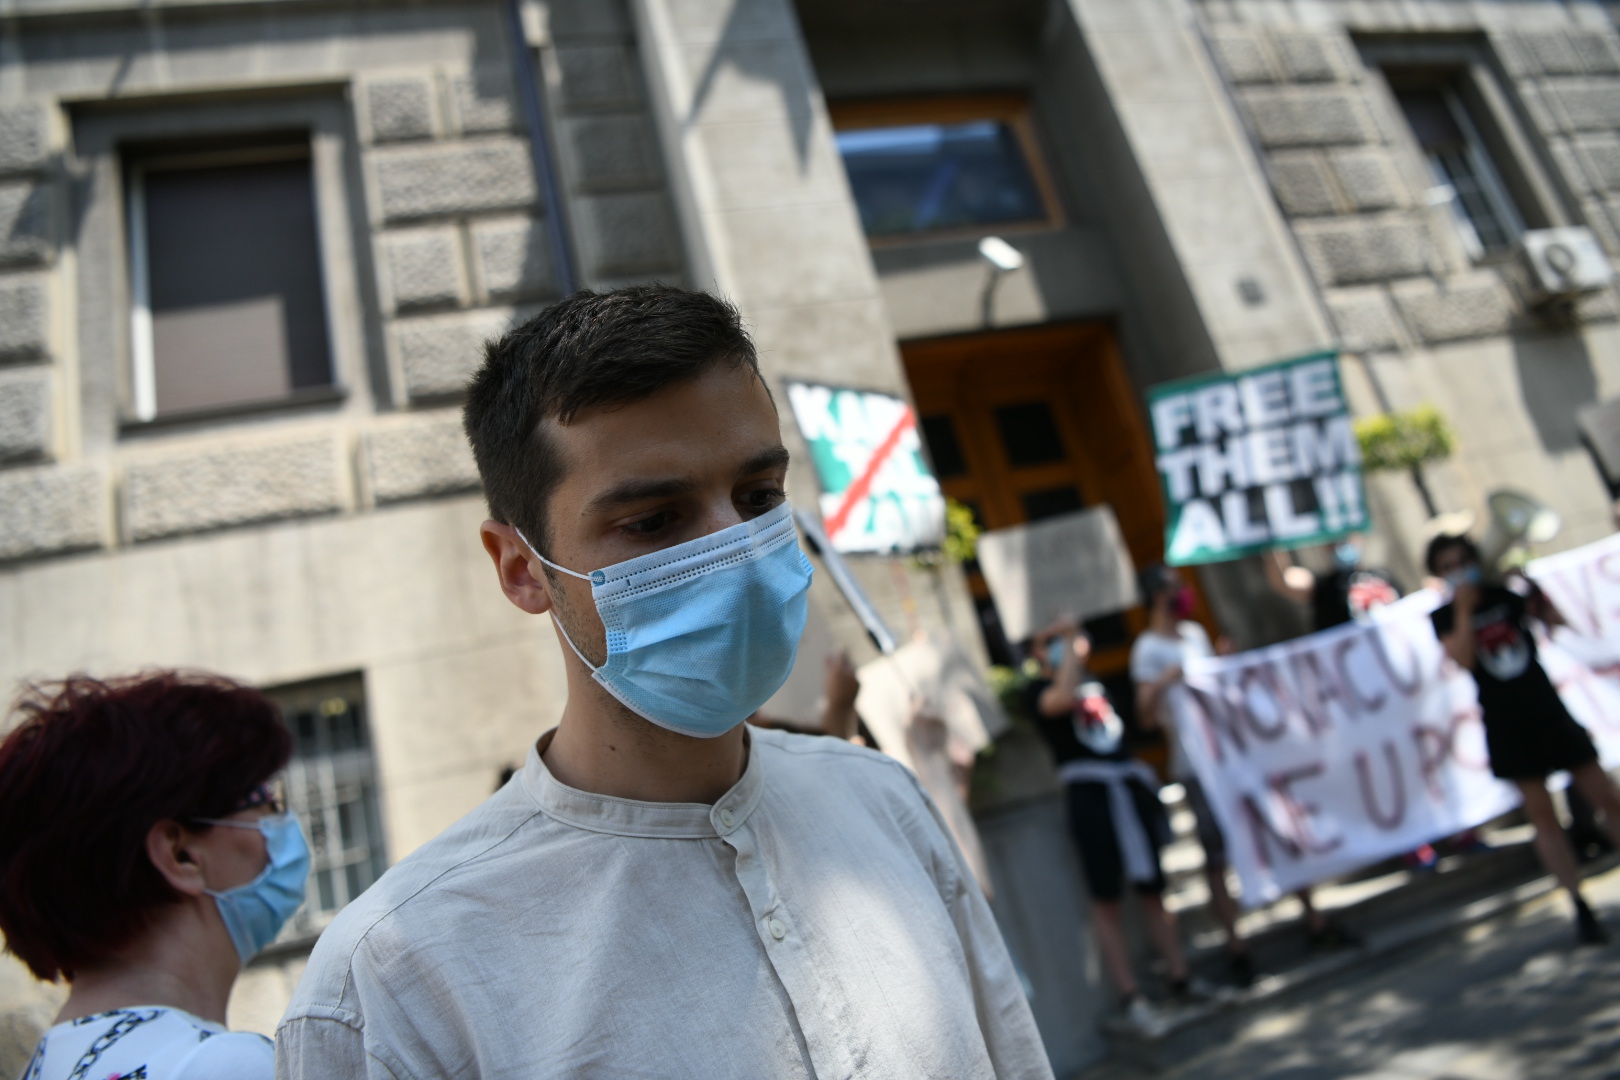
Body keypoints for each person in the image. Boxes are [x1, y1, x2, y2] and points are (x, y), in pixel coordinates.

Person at [277, 286, 1051, 1079]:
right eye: (653, 521)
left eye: (759, 498)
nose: (738, 551)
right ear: (521, 570)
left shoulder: (885, 802)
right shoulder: (394, 986)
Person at [0, 671, 309, 1080]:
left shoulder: (42, 1067)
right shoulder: (223, 1067)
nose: (279, 821)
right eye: (263, 801)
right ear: (179, 855)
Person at [1428, 532, 1620, 945]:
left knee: (1607, 797)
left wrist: (1530, 585)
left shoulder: (1507, 596)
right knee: (1544, 818)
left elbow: (1556, 622)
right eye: (1447, 566)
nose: (1458, 571)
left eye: (1462, 560)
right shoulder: (1443, 617)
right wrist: (1464, 611)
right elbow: (1461, 659)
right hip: (1507, 726)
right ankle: (1579, 904)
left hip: (1550, 713)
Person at [1028, 622, 1202, 1032]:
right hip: (1090, 800)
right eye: (1050, 640)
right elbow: (1061, 698)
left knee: (1153, 888)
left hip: (1126, 789)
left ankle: (1181, 975)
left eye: (1070, 637)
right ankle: (1131, 994)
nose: (1063, 646)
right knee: (1106, 898)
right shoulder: (1038, 692)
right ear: (1037, 652)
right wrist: (1069, 646)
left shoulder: (1098, 684)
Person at [1129, 566, 1257, 985]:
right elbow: (1144, 718)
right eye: (1175, 590)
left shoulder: (1195, 636)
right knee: (1215, 854)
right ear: (1158, 597)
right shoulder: (1147, 650)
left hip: (1227, 756)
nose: (1184, 595)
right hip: (1192, 763)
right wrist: (1163, 682)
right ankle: (1235, 943)